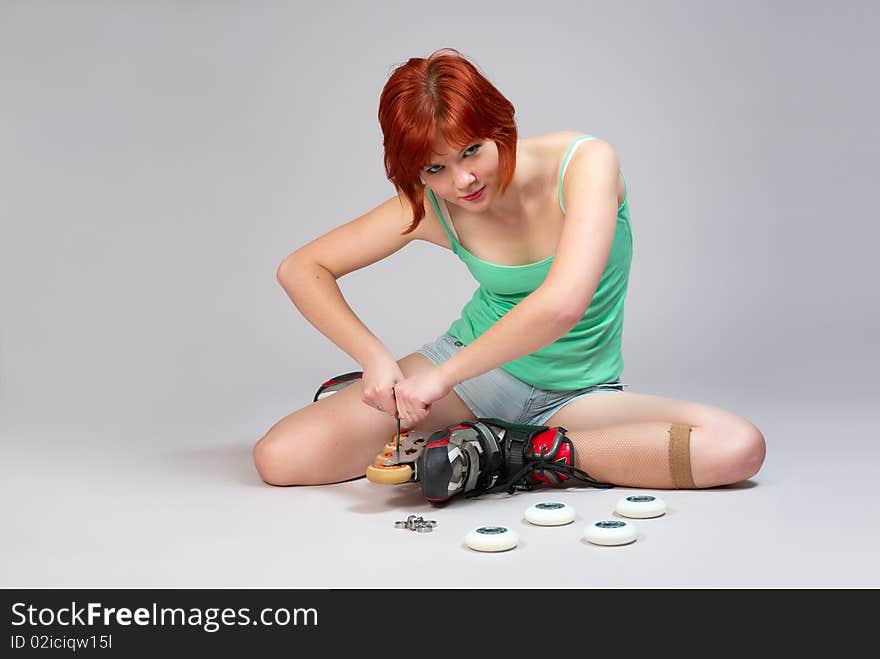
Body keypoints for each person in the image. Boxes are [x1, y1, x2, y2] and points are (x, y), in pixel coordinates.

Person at [254, 48, 766, 492]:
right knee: (279, 458)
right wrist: (375, 359)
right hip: (468, 378)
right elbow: (302, 268)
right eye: (436, 168)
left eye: (472, 150)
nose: (464, 180)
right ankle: (489, 442)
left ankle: (505, 453)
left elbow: (562, 305)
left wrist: (439, 380)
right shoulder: (431, 206)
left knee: (735, 447)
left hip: (577, 396)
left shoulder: (585, 163)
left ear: (500, 126)